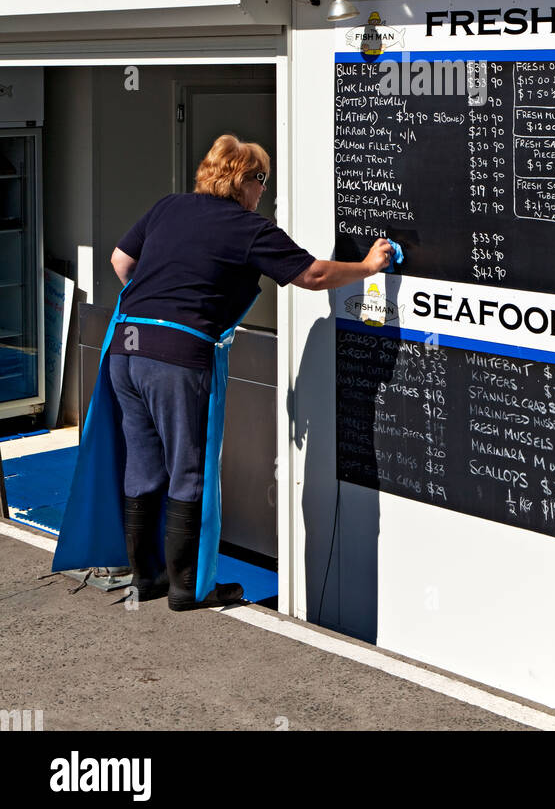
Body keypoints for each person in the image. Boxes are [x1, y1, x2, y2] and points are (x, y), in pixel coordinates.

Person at [59, 133, 392, 612]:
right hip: (176, 355)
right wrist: (367, 266)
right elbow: (312, 276)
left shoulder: (168, 207)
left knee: (142, 464)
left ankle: (147, 576)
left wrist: (160, 297)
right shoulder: (247, 228)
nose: (265, 193)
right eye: (262, 181)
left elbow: (120, 261)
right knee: (188, 469)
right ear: (243, 180)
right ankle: (187, 589)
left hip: (125, 347)